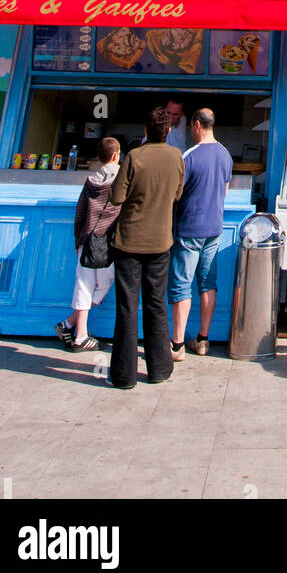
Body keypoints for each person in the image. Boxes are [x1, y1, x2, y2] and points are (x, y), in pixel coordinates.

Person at [108, 105, 184, 389]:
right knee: (156, 304)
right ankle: (160, 369)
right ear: (167, 131)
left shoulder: (134, 156)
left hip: (128, 241)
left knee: (127, 307)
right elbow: (178, 193)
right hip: (160, 242)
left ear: (145, 131)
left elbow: (117, 197)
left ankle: (124, 375)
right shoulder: (176, 156)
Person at [169, 108, 232, 359]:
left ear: (196, 125)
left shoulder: (189, 156)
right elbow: (224, 192)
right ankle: (203, 339)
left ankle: (176, 345)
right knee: (208, 283)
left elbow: (177, 193)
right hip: (214, 230)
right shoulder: (226, 155)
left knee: (182, 285)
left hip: (189, 229)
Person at [55, 137, 121, 352]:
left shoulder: (91, 180)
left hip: (86, 239)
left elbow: (80, 211)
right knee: (104, 283)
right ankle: (78, 333)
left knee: (83, 284)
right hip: (106, 240)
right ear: (115, 156)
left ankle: (71, 327)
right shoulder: (120, 180)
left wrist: (78, 238)